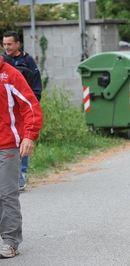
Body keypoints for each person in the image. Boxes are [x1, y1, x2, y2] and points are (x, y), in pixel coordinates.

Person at [0, 54, 43, 258]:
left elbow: (30, 105)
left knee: (7, 193)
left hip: (7, 144)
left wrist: (29, 135)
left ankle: (10, 242)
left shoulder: (10, 75)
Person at [3, 30, 43, 191]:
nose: (7, 47)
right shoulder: (3, 61)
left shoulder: (27, 60)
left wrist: (34, 101)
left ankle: (22, 174)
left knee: (22, 137)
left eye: (10, 44)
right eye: (4, 44)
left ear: (18, 44)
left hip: (23, 105)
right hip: (8, 107)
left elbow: (35, 81)